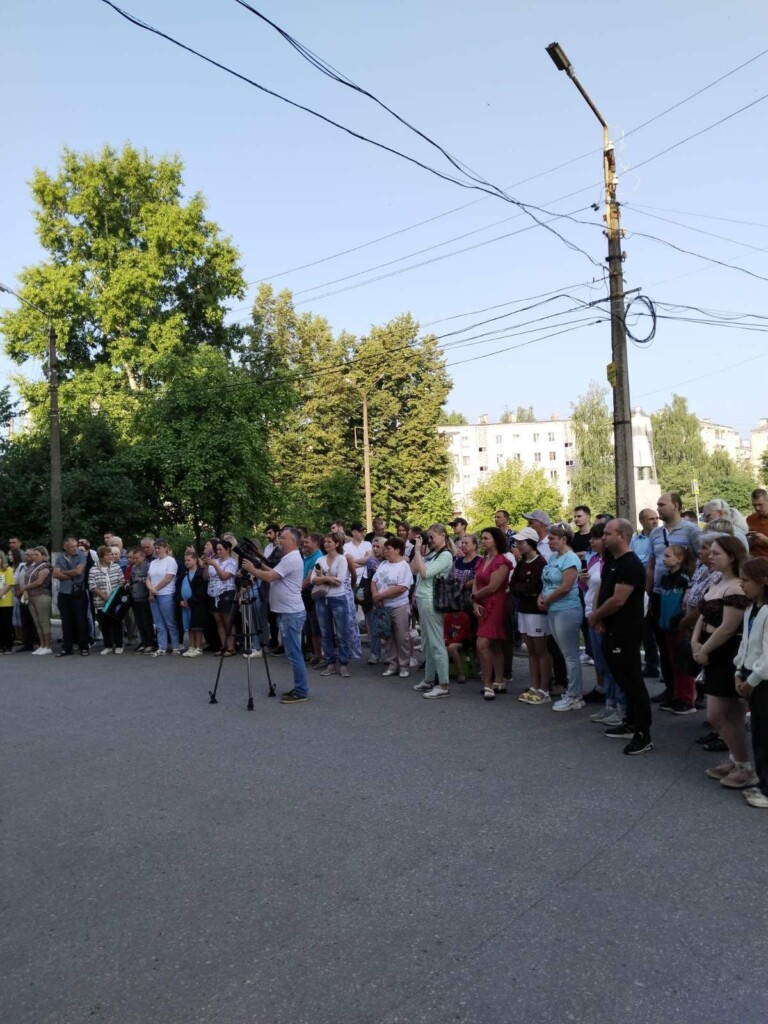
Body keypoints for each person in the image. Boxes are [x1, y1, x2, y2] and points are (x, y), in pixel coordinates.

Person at [692, 537, 755, 789]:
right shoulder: (718, 581)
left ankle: (745, 767)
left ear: (731, 556)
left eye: (716, 553)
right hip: (711, 649)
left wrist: (704, 649)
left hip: (727, 653)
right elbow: (703, 614)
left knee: (718, 715)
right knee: (732, 715)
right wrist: (695, 642)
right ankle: (736, 760)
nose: (710, 556)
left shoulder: (737, 587)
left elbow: (728, 628)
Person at [589, 519, 653, 755]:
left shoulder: (630, 564)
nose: (603, 537)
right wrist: (597, 617)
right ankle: (630, 722)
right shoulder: (612, 561)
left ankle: (643, 733)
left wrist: (596, 615)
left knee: (632, 680)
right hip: (610, 629)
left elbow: (618, 600)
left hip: (626, 631)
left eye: (608, 533)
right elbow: (601, 592)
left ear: (622, 536)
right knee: (620, 677)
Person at [646, 492, 702, 705]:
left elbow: (702, 560)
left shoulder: (691, 530)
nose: (658, 508)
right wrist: (649, 592)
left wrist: (693, 589)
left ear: (676, 506)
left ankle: (690, 693)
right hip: (660, 592)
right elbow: (652, 565)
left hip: (682, 593)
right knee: (664, 644)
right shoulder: (655, 533)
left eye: (662, 504)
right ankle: (671, 689)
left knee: (682, 644)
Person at [242, 527, 309, 704]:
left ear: (293, 541)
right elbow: (274, 571)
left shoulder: (291, 558)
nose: (280, 540)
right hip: (288, 611)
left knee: (294, 653)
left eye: (283, 538)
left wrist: (252, 569)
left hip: (291, 612)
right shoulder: (288, 558)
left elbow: (270, 576)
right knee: (292, 653)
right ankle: (299, 687)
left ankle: (301, 690)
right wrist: (258, 563)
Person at [582, 523, 627, 728]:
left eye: (599, 536)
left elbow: (611, 595)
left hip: (603, 619)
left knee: (613, 665)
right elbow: (593, 590)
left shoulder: (615, 562)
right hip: (592, 616)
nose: (593, 541)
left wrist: (598, 616)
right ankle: (610, 703)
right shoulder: (595, 560)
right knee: (602, 665)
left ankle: (621, 707)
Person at [734, 557, 768, 809]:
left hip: (762, 680)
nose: (741, 585)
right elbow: (745, 645)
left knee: (766, 734)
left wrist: (753, 680)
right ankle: (763, 781)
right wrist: (738, 671)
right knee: (758, 732)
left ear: (763, 581)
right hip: (749, 676)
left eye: (746, 580)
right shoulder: (751, 609)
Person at [538, 523, 583, 711]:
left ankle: (574, 695)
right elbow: (547, 582)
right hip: (553, 609)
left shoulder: (571, 559)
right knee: (564, 652)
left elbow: (565, 587)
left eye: (552, 538)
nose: (548, 542)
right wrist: (541, 597)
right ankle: (573, 693)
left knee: (570, 654)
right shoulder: (553, 558)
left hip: (567, 610)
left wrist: (547, 599)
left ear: (564, 539)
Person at [412, 523, 454, 699]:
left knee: (436, 643)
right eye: (428, 537)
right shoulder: (433, 554)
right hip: (423, 599)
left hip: (431, 600)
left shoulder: (445, 555)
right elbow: (414, 569)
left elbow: (425, 574)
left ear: (443, 535)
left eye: (432, 537)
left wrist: (417, 551)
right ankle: (429, 679)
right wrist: (419, 552)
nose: (429, 540)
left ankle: (443, 684)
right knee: (427, 643)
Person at [510, 527, 550, 704]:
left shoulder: (540, 563)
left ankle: (544, 689)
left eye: (522, 542)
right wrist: (522, 589)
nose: (518, 545)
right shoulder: (521, 563)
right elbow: (513, 585)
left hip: (536, 612)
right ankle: (534, 685)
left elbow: (533, 587)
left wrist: (523, 589)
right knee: (531, 651)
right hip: (523, 609)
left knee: (541, 651)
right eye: (518, 542)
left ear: (531, 543)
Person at [656, 544, 697, 714]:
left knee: (683, 662)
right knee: (673, 661)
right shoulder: (665, 578)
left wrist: (680, 619)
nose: (664, 559)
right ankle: (677, 694)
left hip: (679, 625)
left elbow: (686, 603)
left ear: (680, 559)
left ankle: (687, 699)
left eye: (668, 556)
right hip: (666, 624)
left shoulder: (684, 579)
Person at [472, 527, 510, 700]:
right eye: (482, 538)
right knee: (493, 645)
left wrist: (475, 597)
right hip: (481, 603)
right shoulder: (482, 560)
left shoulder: (502, 561)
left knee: (482, 644)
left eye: (486, 538)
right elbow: (476, 582)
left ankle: (488, 683)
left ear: (496, 540)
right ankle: (499, 681)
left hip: (495, 604)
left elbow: (493, 586)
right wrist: (474, 601)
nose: (483, 541)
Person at [373, 537, 414, 678]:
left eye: (388, 549)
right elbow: (374, 581)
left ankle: (404, 665)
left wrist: (380, 596)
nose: (385, 551)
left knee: (402, 637)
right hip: (384, 606)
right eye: (384, 549)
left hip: (399, 606)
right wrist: (376, 596)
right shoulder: (383, 564)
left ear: (397, 550)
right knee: (388, 637)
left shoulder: (404, 566)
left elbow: (401, 587)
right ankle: (392, 664)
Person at [312, 533, 351, 677]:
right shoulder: (320, 559)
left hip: (337, 598)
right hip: (322, 599)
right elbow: (313, 579)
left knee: (341, 633)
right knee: (325, 633)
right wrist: (329, 578)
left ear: (337, 544)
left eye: (329, 542)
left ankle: (343, 663)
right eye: (325, 542)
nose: (326, 544)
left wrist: (323, 577)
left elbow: (340, 580)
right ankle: (330, 663)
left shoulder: (341, 559)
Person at [631, 508, 660, 678]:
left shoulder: (660, 538)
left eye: (656, 518)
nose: (655, 521)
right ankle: (651, 664)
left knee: (659, 628)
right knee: (645, 628)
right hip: (639, 587)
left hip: (657, 587)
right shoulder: (635, 540)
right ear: (641, 521)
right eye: (651, 519)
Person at [52, 535, 89, 657]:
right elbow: (55, 574)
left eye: (75, 546)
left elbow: (79, 572)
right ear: (65, 547)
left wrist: (63, 572)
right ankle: (67, 647)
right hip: (64, 593)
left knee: (81, 620)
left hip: (78, 592)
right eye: (72, 546)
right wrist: (70, 573)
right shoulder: (60, 558)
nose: (74, 548)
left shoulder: (81, 556)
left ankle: (84, 647)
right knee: (66, 622)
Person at [146, 538, 182, 656]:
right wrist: (151, 591)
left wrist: (154, 589)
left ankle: (175, 646)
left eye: (159, 548)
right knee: (158, 623)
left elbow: (168, 578)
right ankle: (162, 647)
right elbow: (148, 579)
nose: (157, 550)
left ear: (166, 548)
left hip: (166, 594)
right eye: (155, 548)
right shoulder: (153, 562)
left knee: (170, 622)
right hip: (154, 595)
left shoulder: (170, 561)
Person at [88, 544, 125, 655]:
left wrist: (114, 595)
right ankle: (108, 645)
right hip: (101, 602)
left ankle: (119, 645)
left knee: (116, 622)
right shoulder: (93, 569)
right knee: (105, 624)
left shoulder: (116, 567)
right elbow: (92, 585)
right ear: (101, 556)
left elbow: (122, 581)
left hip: (115, 601)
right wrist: (104, 596)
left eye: (111, 555)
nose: (111, 557)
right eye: (108, 555)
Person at [203, 539, 237, 657]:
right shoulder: (214, 561)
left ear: (227, 550)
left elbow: (224, 576)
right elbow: (205, 577)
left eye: (220, 549)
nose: (218, 551)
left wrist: (215, 565)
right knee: (218, 621)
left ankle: (231, 647)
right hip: (213, 594)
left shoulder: (231, 562)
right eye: (216, 549)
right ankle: (223, 646)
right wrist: (207, 566)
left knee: (227, 620)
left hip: (226, 592)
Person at [23, 546, 53, 656]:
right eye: (33, 555)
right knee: (37, 622)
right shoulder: (33, 566)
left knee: (43, 621)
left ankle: (47, 646)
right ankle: (42, 645)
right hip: (31, 596)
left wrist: (25, 588)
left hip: (42, 596)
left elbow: (39, 581)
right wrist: (26, 591)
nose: (34, 557)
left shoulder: (45, 566)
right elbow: (26, 579)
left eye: (37, 555)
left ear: (44, 556)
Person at [178, 550, 208, 657]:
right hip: (185, 605)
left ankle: (198, 647)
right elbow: (178, 588)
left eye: (188, 560)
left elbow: (201, 591)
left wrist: (190, 602)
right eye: (185, 560)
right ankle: (192, 646)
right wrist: (180, 600)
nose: (186, 562)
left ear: (195, 560)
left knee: (197, 626)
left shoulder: (200, 573)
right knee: (189, 627)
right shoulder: (183, 574)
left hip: (197, 604)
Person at [361, 537, 386, 665]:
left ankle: (389, 655)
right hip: (371, 597)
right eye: (374, 546)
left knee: (387, 628)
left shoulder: (390, 561)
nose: (375, 549)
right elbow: (369, 579)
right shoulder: (371, 561)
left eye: (378, 546)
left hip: (387, 596)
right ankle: (375, 653)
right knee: (374, 626)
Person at [301, 533, 324, 665]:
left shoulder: (317, 557)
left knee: (315, 626)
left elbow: (309, 579)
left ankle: (320, 654)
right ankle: (315, 653)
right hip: (307, 595)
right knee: (309, 626)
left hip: (313, 595)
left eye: (307, 542)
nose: (304, 544)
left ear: (315, 543)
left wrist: (296, 590)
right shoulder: (308, 556)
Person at [128, 547, 155, 652]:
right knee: (139, 622)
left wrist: (142, 579)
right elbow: (131, 579)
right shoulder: (133, 568)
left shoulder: (148, 566)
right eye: (133, 558)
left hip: (144, 598)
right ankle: (144, 642)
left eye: (137, 558)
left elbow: (151, 579)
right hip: (135, 598)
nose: (134, 560)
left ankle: (150, 643)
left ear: (143, 557)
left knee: (146, 622)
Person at [444, 608, 473, 683]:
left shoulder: (465, 617)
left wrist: (449, 642)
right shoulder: (447, 617)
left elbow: (462, 635)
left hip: (464, 641)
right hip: (450, 641)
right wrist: (446, 641)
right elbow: (445, 632)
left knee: (452, 647)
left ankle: (460, 672)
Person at [746, 489, 768, 556]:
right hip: (753, 558)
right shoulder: (750, 519)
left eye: (760, 504)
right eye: (754, 505)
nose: (757, 508)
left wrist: (766, 540)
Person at [0, 552, 15, 654]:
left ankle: (8, 646)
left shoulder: (8, 570)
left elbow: (8, 585)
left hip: (6, 602)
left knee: (6, 624)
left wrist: (0, 594)